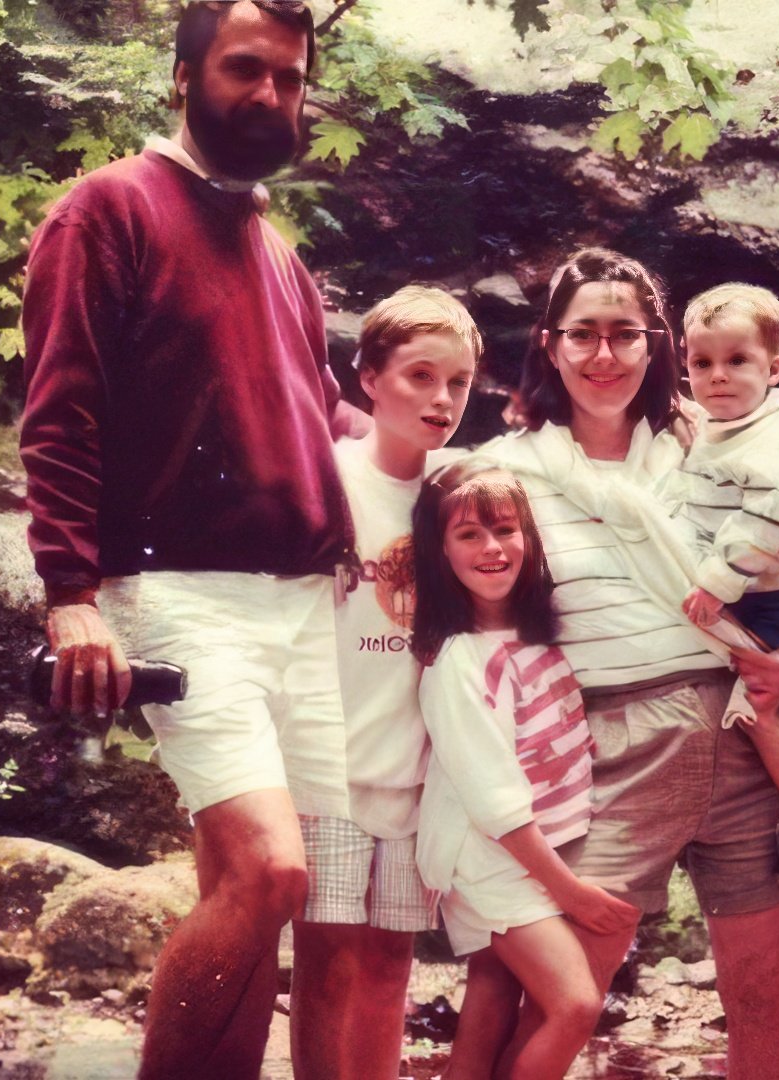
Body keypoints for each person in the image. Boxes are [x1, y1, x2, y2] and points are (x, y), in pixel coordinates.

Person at [16, 3, 360, 1075]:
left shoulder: (276, 254)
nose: (270, 95)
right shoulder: (108, 210)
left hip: (305, 608)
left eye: (289, 79)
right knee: (269, 876)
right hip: (179, 594)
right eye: (245, 70)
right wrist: (72, 592)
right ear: (182, 75)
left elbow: (335, 419)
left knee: (248, 890)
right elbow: (59, 410)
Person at [467, 248, 779, 1078]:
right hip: (608, 746)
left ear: (655, 342)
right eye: (582, 335)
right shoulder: (508, 472)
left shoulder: (717, 443)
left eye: (624, 335)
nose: (603, 357)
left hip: (749, 730)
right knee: (562, 1003)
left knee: (761, 1003)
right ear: (549, 344)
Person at [540, 282, 779, 885]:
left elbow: (760, 526)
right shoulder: (719, 422)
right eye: (703, 363)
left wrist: (714, 585)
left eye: (738, 361)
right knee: (762, 669)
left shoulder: (778, 445)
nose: (718, 377)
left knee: (759, 703)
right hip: (768, 588)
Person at [410, 463, 640, 1080]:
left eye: (505, 530)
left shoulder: (537, 635)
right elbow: (495, 801)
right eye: (468, 535)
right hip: (488, 859)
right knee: (574, 1004)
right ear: (439, 553)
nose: (491, 548)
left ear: (530, 539)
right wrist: (570, 892)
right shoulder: (459, 661)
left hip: (528, 853)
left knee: (493, 997)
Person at [306, 286, 480, 1079]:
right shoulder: (326, 480)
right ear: (367, 377)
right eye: (419, 377)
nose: (441, 400)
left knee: (389, 969)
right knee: (326, 967)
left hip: (421, 780)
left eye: (458, 383)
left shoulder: (464, 494)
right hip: (330, 770)